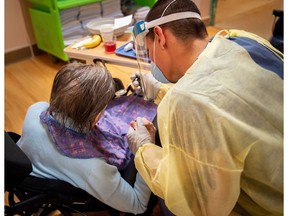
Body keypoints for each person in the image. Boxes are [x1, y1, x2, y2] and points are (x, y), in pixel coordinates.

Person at [127, 0, 283, 215]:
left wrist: (144, 149)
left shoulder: (188, 102)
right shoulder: (241, 40)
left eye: (149, 52)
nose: (151, 61)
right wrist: (160, 91)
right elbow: (225, 100)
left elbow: (197, 201)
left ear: (160, 37)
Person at [16, 62, 158, 214]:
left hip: (27, 175)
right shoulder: (95, 168)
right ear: (96, 116)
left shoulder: (36, 110)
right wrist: (146, 150)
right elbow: (138, 205)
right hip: (71, 187)